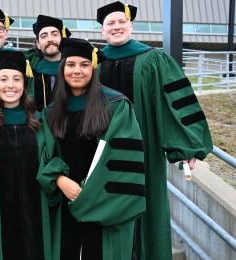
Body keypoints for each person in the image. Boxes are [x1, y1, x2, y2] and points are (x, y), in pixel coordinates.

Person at [96, 2, 213, 259]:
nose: (116, 27)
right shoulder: (94, 63)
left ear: (131, 26)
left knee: (148, 208)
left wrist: (185, 148)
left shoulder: (153, 59)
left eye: (121, 22)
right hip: (103, 152)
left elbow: (174, 102)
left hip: (144, 148)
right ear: (102, 31)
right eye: (110, 24)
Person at [40, 38, 146, 260]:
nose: (76, 70)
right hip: (65, 201)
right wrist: (59, 180)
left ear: (94, 67)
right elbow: (44, 156)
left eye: (84, 64)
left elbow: (123, 163)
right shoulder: (51, 112)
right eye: (70, 65)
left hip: (105, 204)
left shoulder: (116, 105)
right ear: (62, 69)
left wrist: (86, 197)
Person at [0, 50, 65, 260]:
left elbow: (52, 159)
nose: (10, 85)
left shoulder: (40, 122)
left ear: (24, 84)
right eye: (3, 79)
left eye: (16, 79)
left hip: (37, 213)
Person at [24, 15, 71, 111]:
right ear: (38, 44)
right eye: (44, 36)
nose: (50, 39)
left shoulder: (74, 68)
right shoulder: (29, 71)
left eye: (54, 34)